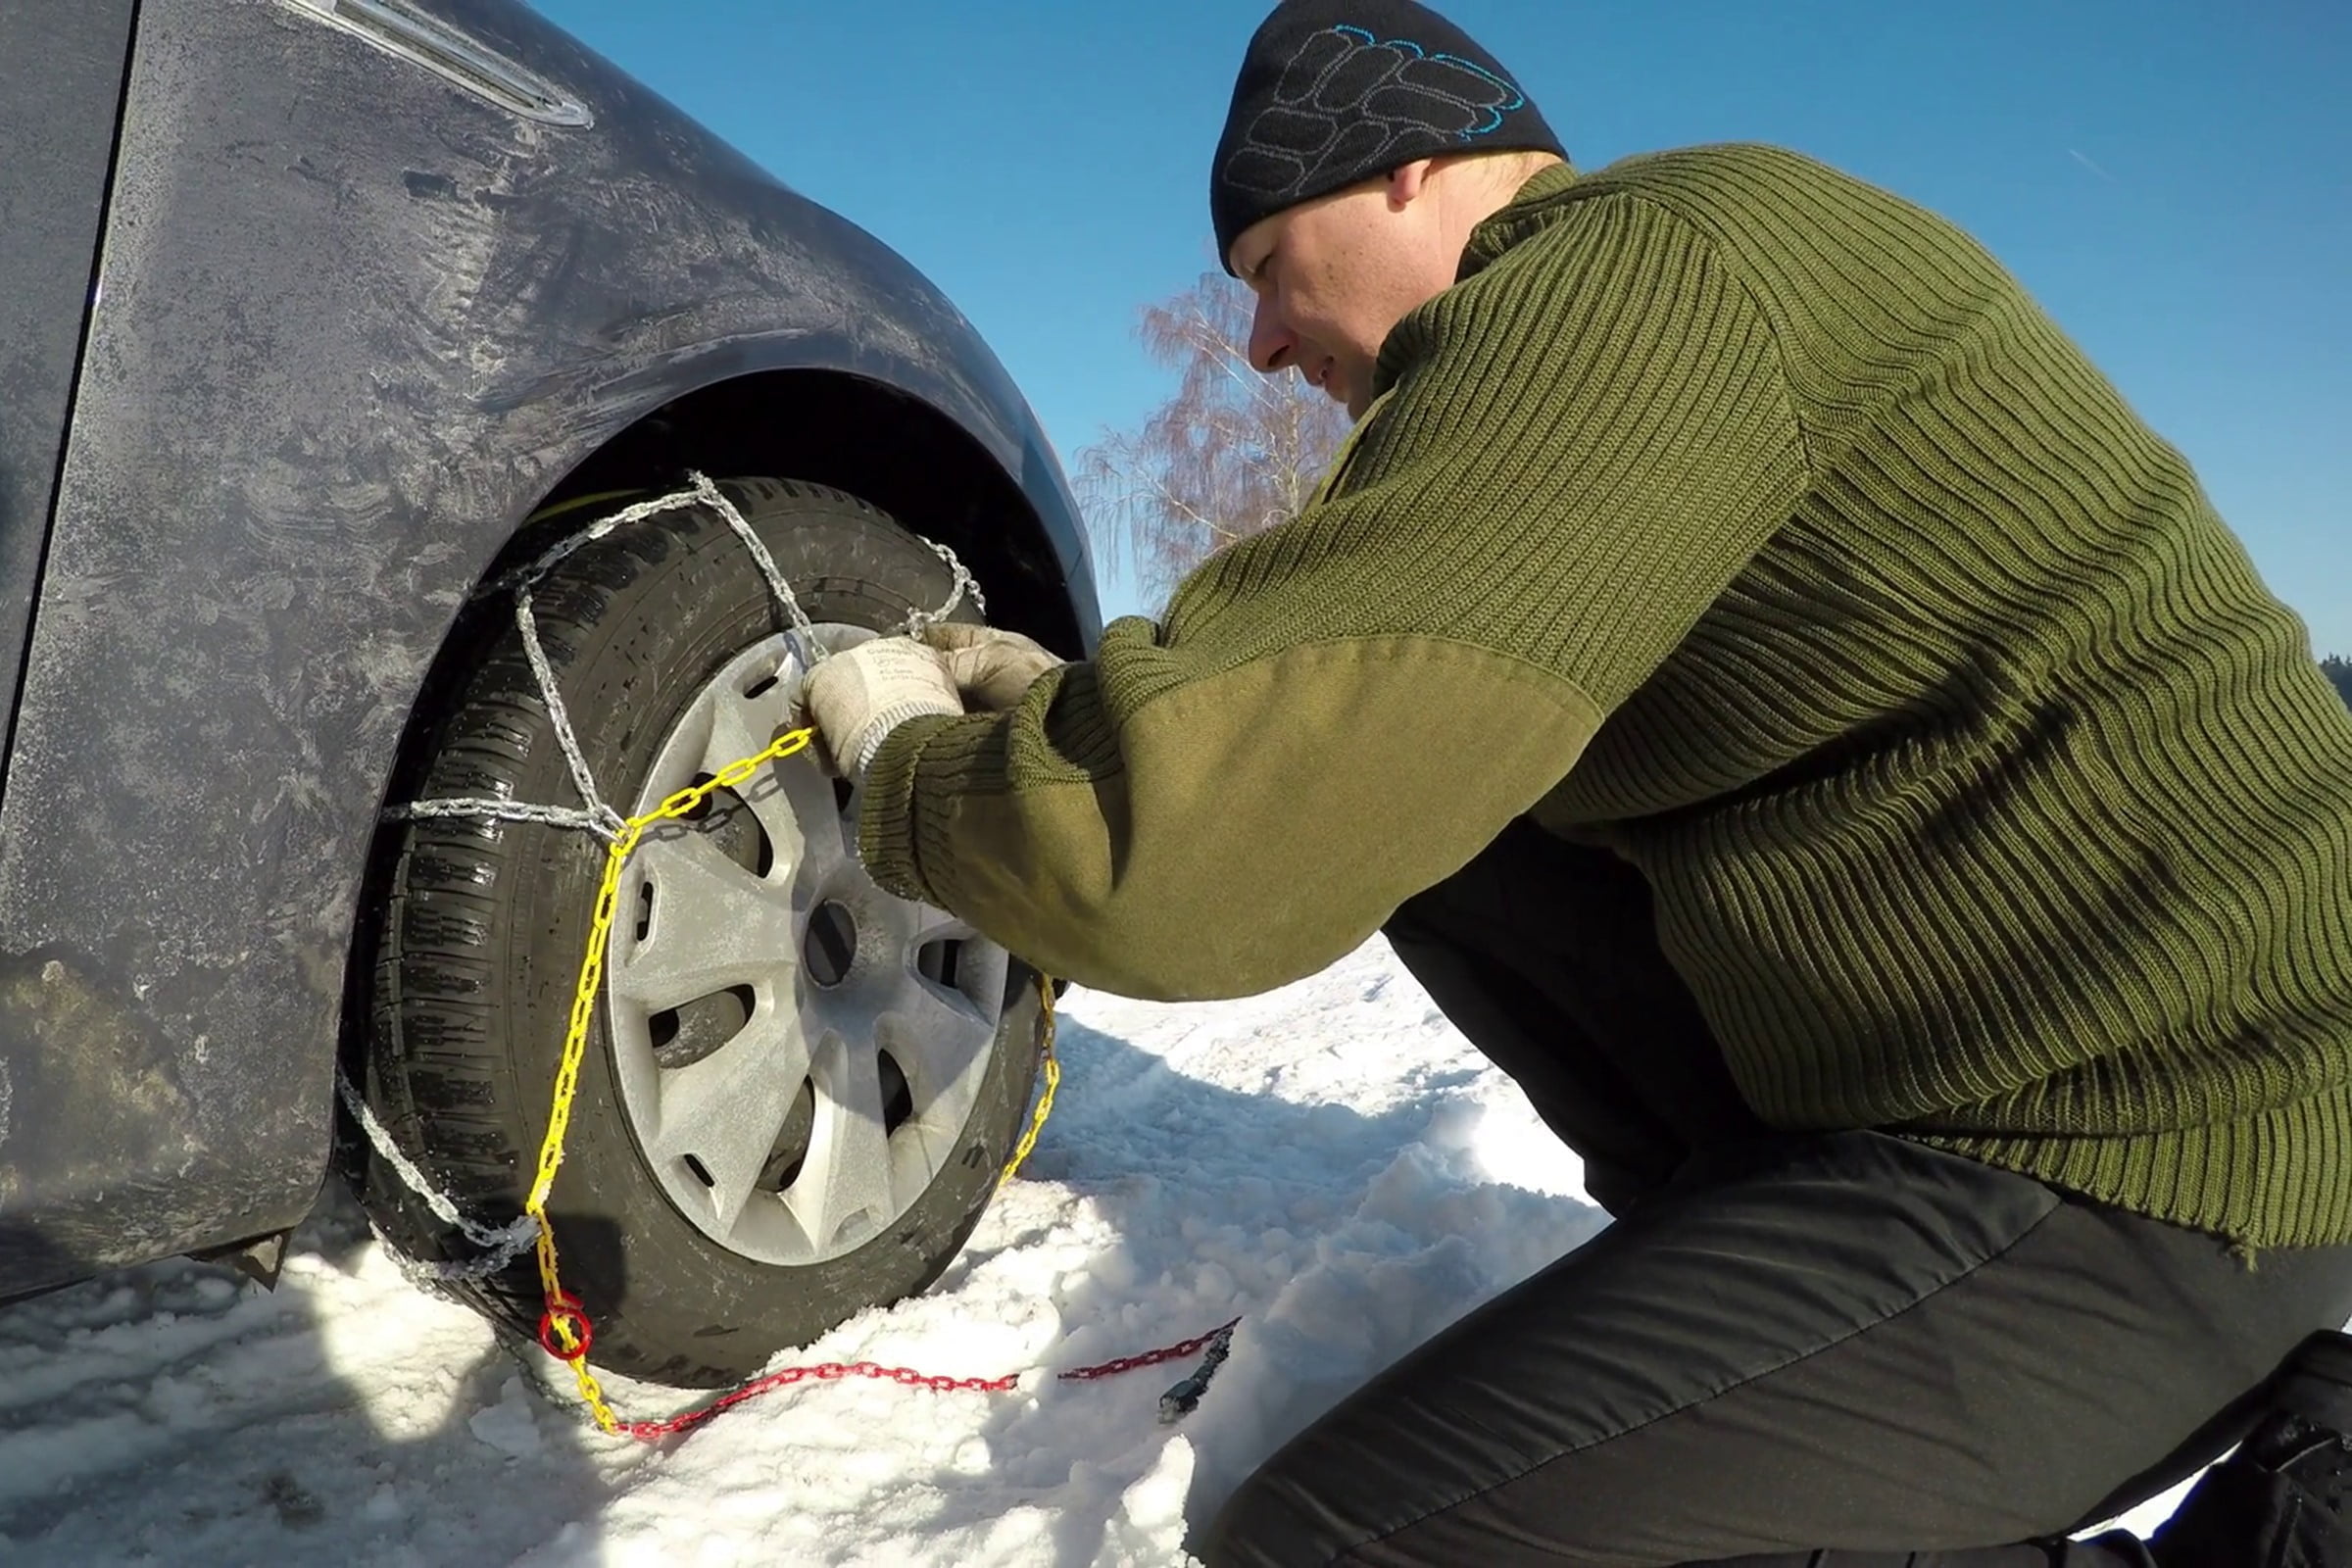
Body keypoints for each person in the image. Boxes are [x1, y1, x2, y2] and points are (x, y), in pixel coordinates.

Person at [804, 1, 2352, 1562]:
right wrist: (1072, 713)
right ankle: (1749, 1280)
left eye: (1269, 268)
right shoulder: (1689, 286)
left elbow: (1188, 858)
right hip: (2066, 1074)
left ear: (1409, 167)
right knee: (1452, 828)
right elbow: (1343, 707)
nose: (1261, 343)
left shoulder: (1641, 272)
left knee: (1346, 1541)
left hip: (2163, 1147)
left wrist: (909, 776)